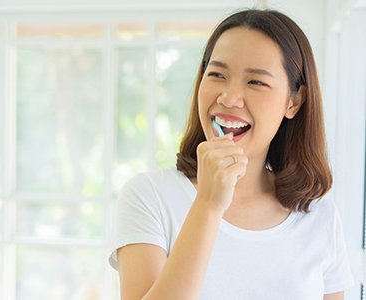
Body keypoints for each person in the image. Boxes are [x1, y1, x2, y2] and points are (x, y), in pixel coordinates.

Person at [108, 8, 355, 300]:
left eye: (256, 82)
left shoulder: (318, 215)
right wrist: (208, 205)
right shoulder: (150, 196)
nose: (228, 98)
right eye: (217, 74)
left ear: (294, 101)